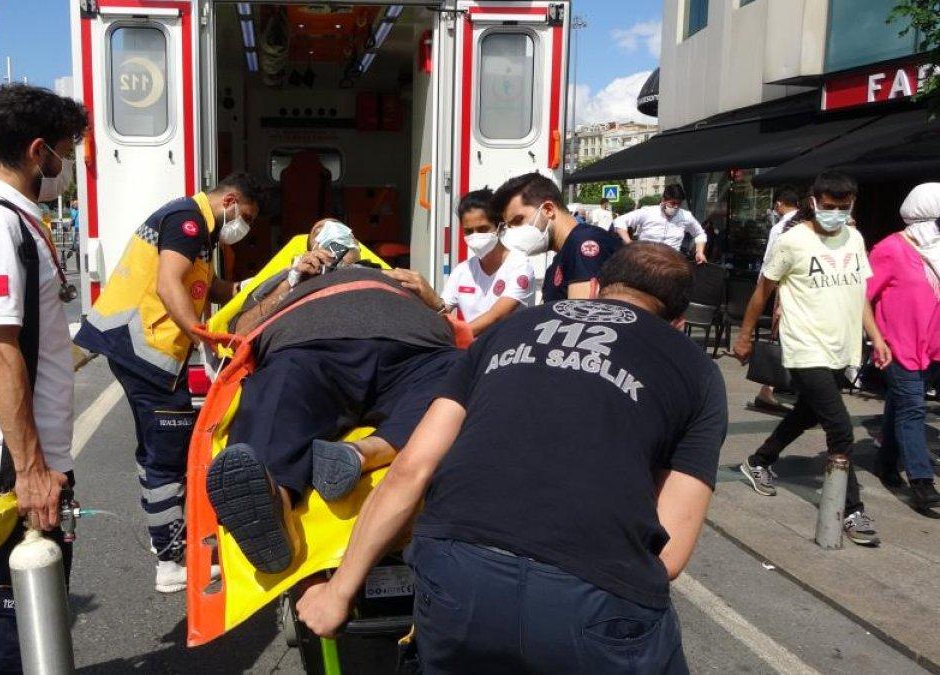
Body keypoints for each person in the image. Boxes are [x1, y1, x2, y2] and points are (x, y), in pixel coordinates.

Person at [296, 242, 726, 672]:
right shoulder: (697, 369)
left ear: (595, 287)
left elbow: (411, 467)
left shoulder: (511, 329)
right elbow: (670, 552)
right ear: (678, 322)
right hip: (593, 596)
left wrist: (338, 594)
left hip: (458, 573)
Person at [205, 220, 463, 575]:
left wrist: (435, 302)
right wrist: (290, 281)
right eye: (317, 234)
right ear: (307, 247)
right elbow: (238, 334)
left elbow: (461, 333)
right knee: (276, 387)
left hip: (415, 352)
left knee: (459, 374)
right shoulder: (289, 277)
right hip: (311, 352)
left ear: (356, 242)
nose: (330, 236)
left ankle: (363, 453)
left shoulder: (396, 276)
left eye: (339, 231)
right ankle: (273, 503)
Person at [0, 83, 87, 672]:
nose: (70, 165)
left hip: (38, 455)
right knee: (20, 623)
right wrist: (30, 471)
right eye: (66, 151)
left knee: (38, 612)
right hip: (19, 463)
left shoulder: (19, 223)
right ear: (38, 152)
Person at [74, 172, 261, 593]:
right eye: (244, 216)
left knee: (156, 453)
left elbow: (206, 285)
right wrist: (199, 332)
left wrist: (245, 290)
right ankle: (171, 561)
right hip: (144, 349)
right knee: (168, 457)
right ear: (230, 200)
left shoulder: (197, 227)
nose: (242, 227)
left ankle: (172, 548)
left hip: (138, 350)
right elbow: (168, 281)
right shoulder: (187, 220)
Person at [733, 171, 892, 546]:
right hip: (804, 347)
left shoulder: (854, 237)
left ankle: (759, 461)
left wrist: (877, 337)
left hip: (841, 347)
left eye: (843, 207)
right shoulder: (793, 241)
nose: (836, 213)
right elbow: (762, 292)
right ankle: (850, 510)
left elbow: (860, 293)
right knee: (840, 428)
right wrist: (744, 336)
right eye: (829, 206)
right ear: (814, 201)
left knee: (807, 412)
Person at [868, 184, 940, 510]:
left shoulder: (936, 250)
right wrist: (877, 338)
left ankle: (885, 462)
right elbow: (862, 297)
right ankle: (922, 481)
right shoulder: (889, 249)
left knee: (900, 403)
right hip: (899, 346)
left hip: (933, 346)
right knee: (913, 408)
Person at [492, 172, 620, 302]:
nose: (514, 231)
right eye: (509, 226)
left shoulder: (584, 243)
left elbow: (583, 316)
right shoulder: (557, 262)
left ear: (548, 209)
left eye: (518, 220)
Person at [439, 189, 534, 335]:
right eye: (469, 231)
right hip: (473, 350)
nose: (475, 236)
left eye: (483, 229)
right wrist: (424, 292)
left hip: (509, 352)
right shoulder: (462, 271)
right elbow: (442, 310)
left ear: (500, 226)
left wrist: (455, 337)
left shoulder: (520, 265)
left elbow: (496, 316)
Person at [753, 188, 800, 413]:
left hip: (783, 286)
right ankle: (771, 386)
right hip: (790, 288)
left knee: (782, 334)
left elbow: (768, 260)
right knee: (785, 336)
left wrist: (761, 290)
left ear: (780, 204)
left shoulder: (781, 227)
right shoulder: (792, 227)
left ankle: (771, 386)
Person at [614, 184, 708, 264]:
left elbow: (700, 234)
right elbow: (619, 221)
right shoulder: (647, 212)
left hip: (671, 263)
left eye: (678, 204)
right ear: (663, 200)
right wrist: (629, 242)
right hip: (645, 261)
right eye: (673, 203)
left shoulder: (686, 216)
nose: (675, 207)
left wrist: (699, 251)